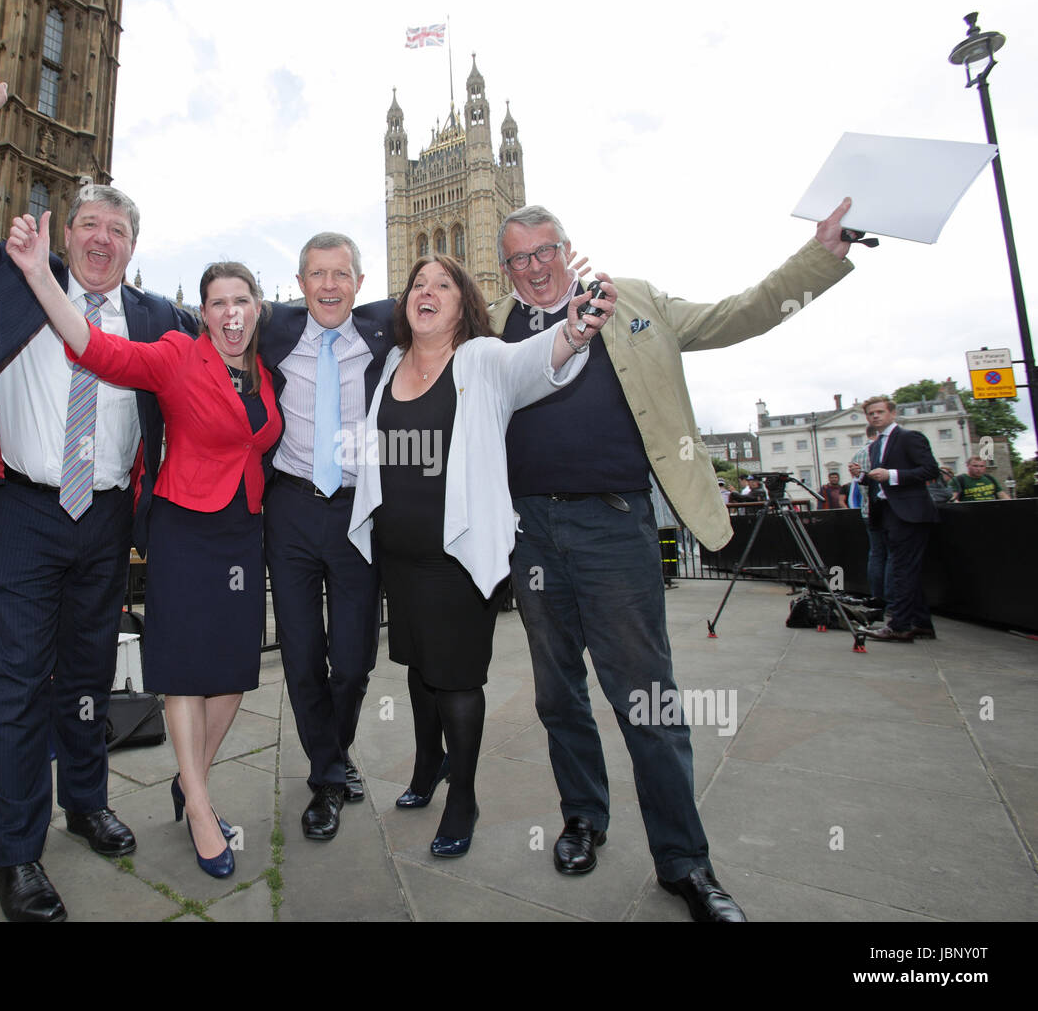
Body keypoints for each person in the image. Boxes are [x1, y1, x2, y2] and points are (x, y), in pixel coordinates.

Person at [492, 199, 856, 922]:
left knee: (647, 700)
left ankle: (685, 862)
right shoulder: (494, 324)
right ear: (505, 268)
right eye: (518, 259)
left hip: (615, 524)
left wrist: (821, 257)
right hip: (528, 531)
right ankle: (583, 820)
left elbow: (738, 314)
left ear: (568, 248)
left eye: (544, 252)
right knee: (557, 693)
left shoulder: (635, 302)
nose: (533, 268)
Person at [0, 73, 193, 922]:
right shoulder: (6, 274)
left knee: (90, 676)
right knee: (21, 684)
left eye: (118, 230)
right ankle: (18, 859)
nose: (102, 240)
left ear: (134, 246)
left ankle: (86, 800)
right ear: (65, 232)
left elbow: (202, 395)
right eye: (89, 225)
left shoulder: (158, 316)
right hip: (24, 510)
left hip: (105, 520)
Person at [6, 212, 282, 878]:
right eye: (217, 303)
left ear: (257, 307)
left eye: (241, 300)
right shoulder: (175, 356)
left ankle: (191, 783)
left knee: (234, 675)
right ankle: (199, 808)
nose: (230, 312)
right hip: (185, 528)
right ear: (203, 313)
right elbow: (95, 349)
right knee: (186, 672)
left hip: (242, 530)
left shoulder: (263, 372)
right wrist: (41, 274)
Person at [348, 254, 611, 857]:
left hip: (457, 559)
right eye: (418, 284)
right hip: (400, 556)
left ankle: (463, 795)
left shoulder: (481, 360)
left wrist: (571, 331)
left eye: (443, 284)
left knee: (457, 679)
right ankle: (427, 767)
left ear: (464, 303)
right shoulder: (389, 364)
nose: (427, 291)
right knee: (418, 668)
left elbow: (535, 362)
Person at [257, 235, 395, 842]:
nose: (330, 285)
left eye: (342, 274)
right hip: (289, 507)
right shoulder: (273, 327)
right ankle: (328, 776)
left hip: (358, 511)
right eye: (318, 274)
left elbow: (459, 311)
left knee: (354, 656)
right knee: (301, 651)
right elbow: (204, 313)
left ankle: (333, 755)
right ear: (301, 281)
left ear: (360, 283)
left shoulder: (386, 329)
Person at [848, 397, 939, 642]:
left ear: (892, 413)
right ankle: (921, 623)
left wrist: (892, 474)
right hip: (888, 513)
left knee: (900, 570)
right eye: (871, 414)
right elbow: (880, 480)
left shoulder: (910, 437)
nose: (875, 416)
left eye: (879, 412)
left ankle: (899, 625)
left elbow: (931, 470)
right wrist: (862, 477)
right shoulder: (876, 446)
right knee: (906, 569)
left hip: (910, 513)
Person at [848, 424, 892, 605]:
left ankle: (877, 597)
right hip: (888, 510)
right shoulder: (883, 452)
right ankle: (892, 600)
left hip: (867, 510)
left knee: (875, 554)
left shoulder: (858, 455)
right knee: (892, 555)